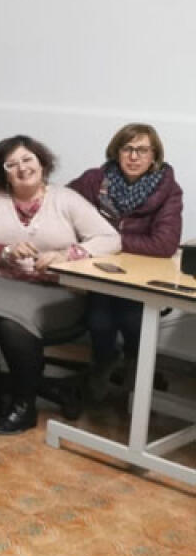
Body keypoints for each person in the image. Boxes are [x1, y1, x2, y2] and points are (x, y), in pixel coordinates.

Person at [0, 135, 120, 434]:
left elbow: (110, 238)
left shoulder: (66, 199)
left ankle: (24, 405)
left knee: (12, 326)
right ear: (3, 171)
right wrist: (4, 252)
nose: (22, 168)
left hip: (54, 291)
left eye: (27, 159)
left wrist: (68, 255)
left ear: (42, 163)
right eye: (11, 164)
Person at [68, 123, 183, 399]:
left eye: (142, 150)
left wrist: (107, 241)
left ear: (154, 156)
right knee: (99, 318)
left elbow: (164, 244)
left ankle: (134, 362)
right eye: (127, 148)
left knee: (131, 317)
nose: (133, 156)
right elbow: (59, 205)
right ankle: (104, 361)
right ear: (116, 152)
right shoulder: (95, 180)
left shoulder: (168, 189)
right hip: (101, 272)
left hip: (142, 277)